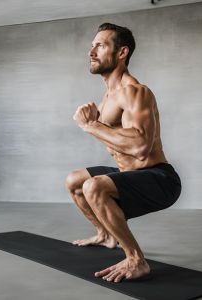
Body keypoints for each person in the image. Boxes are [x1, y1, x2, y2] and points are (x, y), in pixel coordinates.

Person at [65, 23, 182, 283]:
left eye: (101, 45)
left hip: (159, 179)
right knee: (75, 181)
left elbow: (140, 148)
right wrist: (97, 125)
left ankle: (136, 259)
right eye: (92, 45)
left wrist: (91, 125)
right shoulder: (108, 96)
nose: (91, 51)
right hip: (129, 174)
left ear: (122, 53)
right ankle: (105, 235)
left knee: (94, 187)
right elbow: (119, 142)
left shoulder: (134, 91)